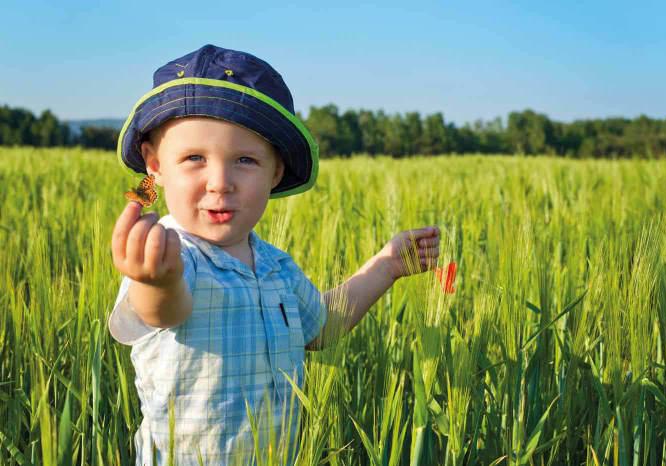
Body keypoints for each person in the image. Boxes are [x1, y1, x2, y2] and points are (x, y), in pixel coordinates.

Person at [108, 44, 440, 465]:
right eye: (194, 158)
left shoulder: (277, 266)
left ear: (275, 172)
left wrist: (386, 266)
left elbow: (321, 328)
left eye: (245, 160)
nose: (220, 181)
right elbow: (162, 312)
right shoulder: (173, 256)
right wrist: (156, 282)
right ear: (155, 166)